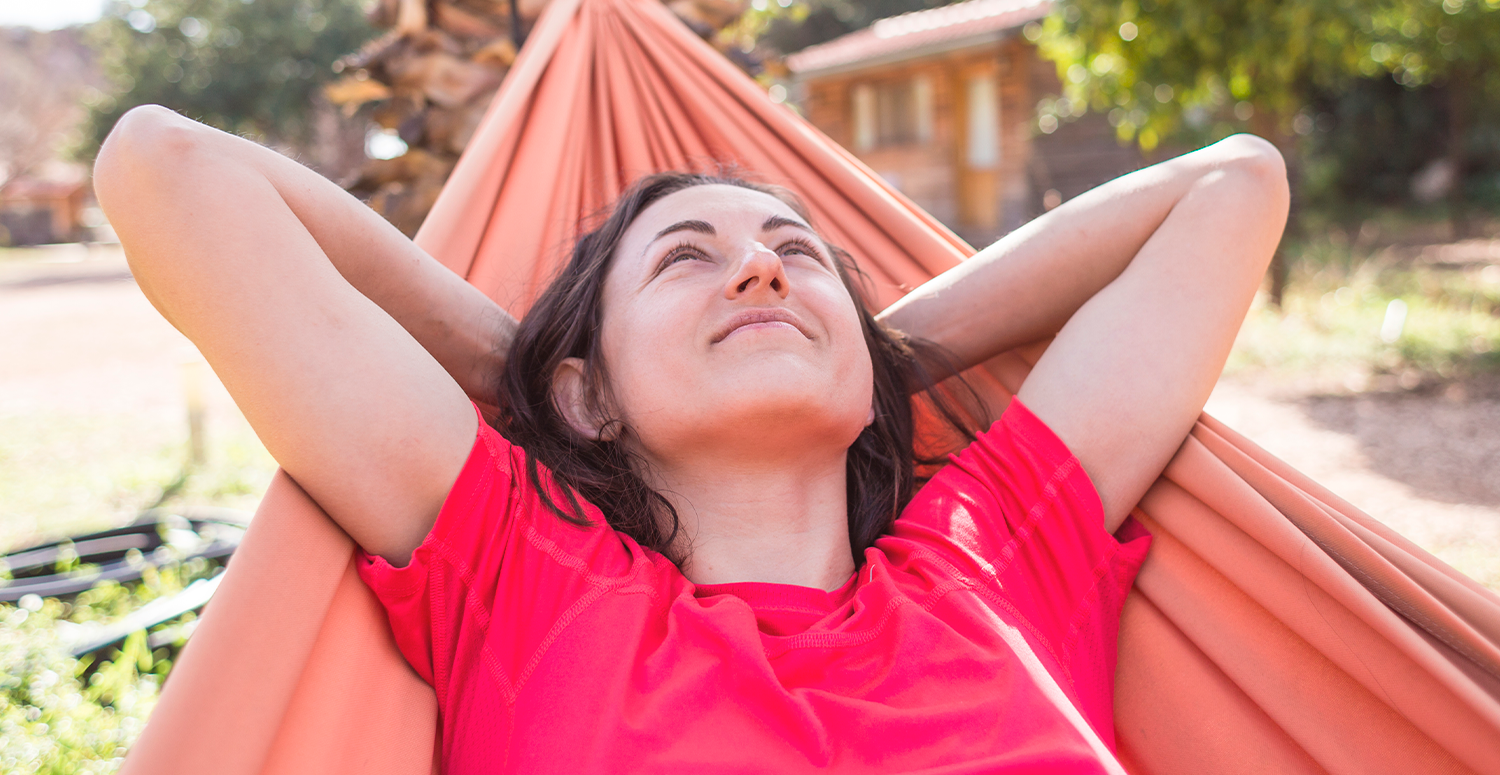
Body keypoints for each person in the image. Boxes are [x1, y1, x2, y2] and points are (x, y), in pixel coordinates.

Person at [94, 104, 1289, 773]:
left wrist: (876, 351)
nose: (763, 264)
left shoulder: (991, 561)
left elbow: (1233, 184)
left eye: (796, 254)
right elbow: (167, 167)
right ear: (587, 400)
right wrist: (522, 371)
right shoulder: (526, 577)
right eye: (687, 258)